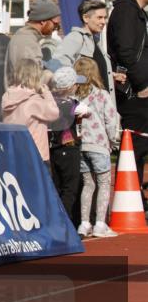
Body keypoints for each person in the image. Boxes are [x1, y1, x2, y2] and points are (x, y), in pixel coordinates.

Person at [107, 0, 148, 207]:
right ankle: (131, 201)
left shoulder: (137, 13)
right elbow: (125, 51)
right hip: (133, 92)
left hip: (139, 87)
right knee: (137, 147)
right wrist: (141, 84)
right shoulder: (125, 12)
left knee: (141, 146)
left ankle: (137, 198)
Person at [74, 56, 121, 238]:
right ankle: (100, 223)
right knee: (103, 183)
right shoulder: (102, 95)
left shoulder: (74, 96)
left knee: (88, 183)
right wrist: (113, 140)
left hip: (80, 146)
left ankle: (84, 223)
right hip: (99, 145)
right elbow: (111, 120)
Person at [47, 63, 89, 222]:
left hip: (53, 149)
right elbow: (86, 111)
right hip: (69, 149)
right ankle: (65, 223)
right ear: (71, 87)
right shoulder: (72, 105)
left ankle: (57, 221)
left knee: (57, 187)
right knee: (70, 188)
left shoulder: (49, 102)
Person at [53, 0, 119, 94]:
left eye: (105, 18)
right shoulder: (75, 38)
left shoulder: (95, 41)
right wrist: (79, 86)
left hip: (101, 105)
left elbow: (91, 72)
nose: (103, 22)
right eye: (99, 17)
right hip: (86, 105)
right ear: (86, 18)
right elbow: (57, 65)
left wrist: (110, 75)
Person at [1, 58, 59, 165]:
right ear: (36, 76)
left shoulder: (8, 96)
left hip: (14, 151)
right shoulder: (34, 101)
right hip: (36, 153)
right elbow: (54, 113)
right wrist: (47, 94)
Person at [5, 0, 61, 86]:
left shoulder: (28, 38)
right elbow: (29, 82)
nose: (56, 28)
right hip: (24, 99)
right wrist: (50, 73)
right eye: (55, 24)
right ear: (43, 20)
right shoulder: (26, 41)